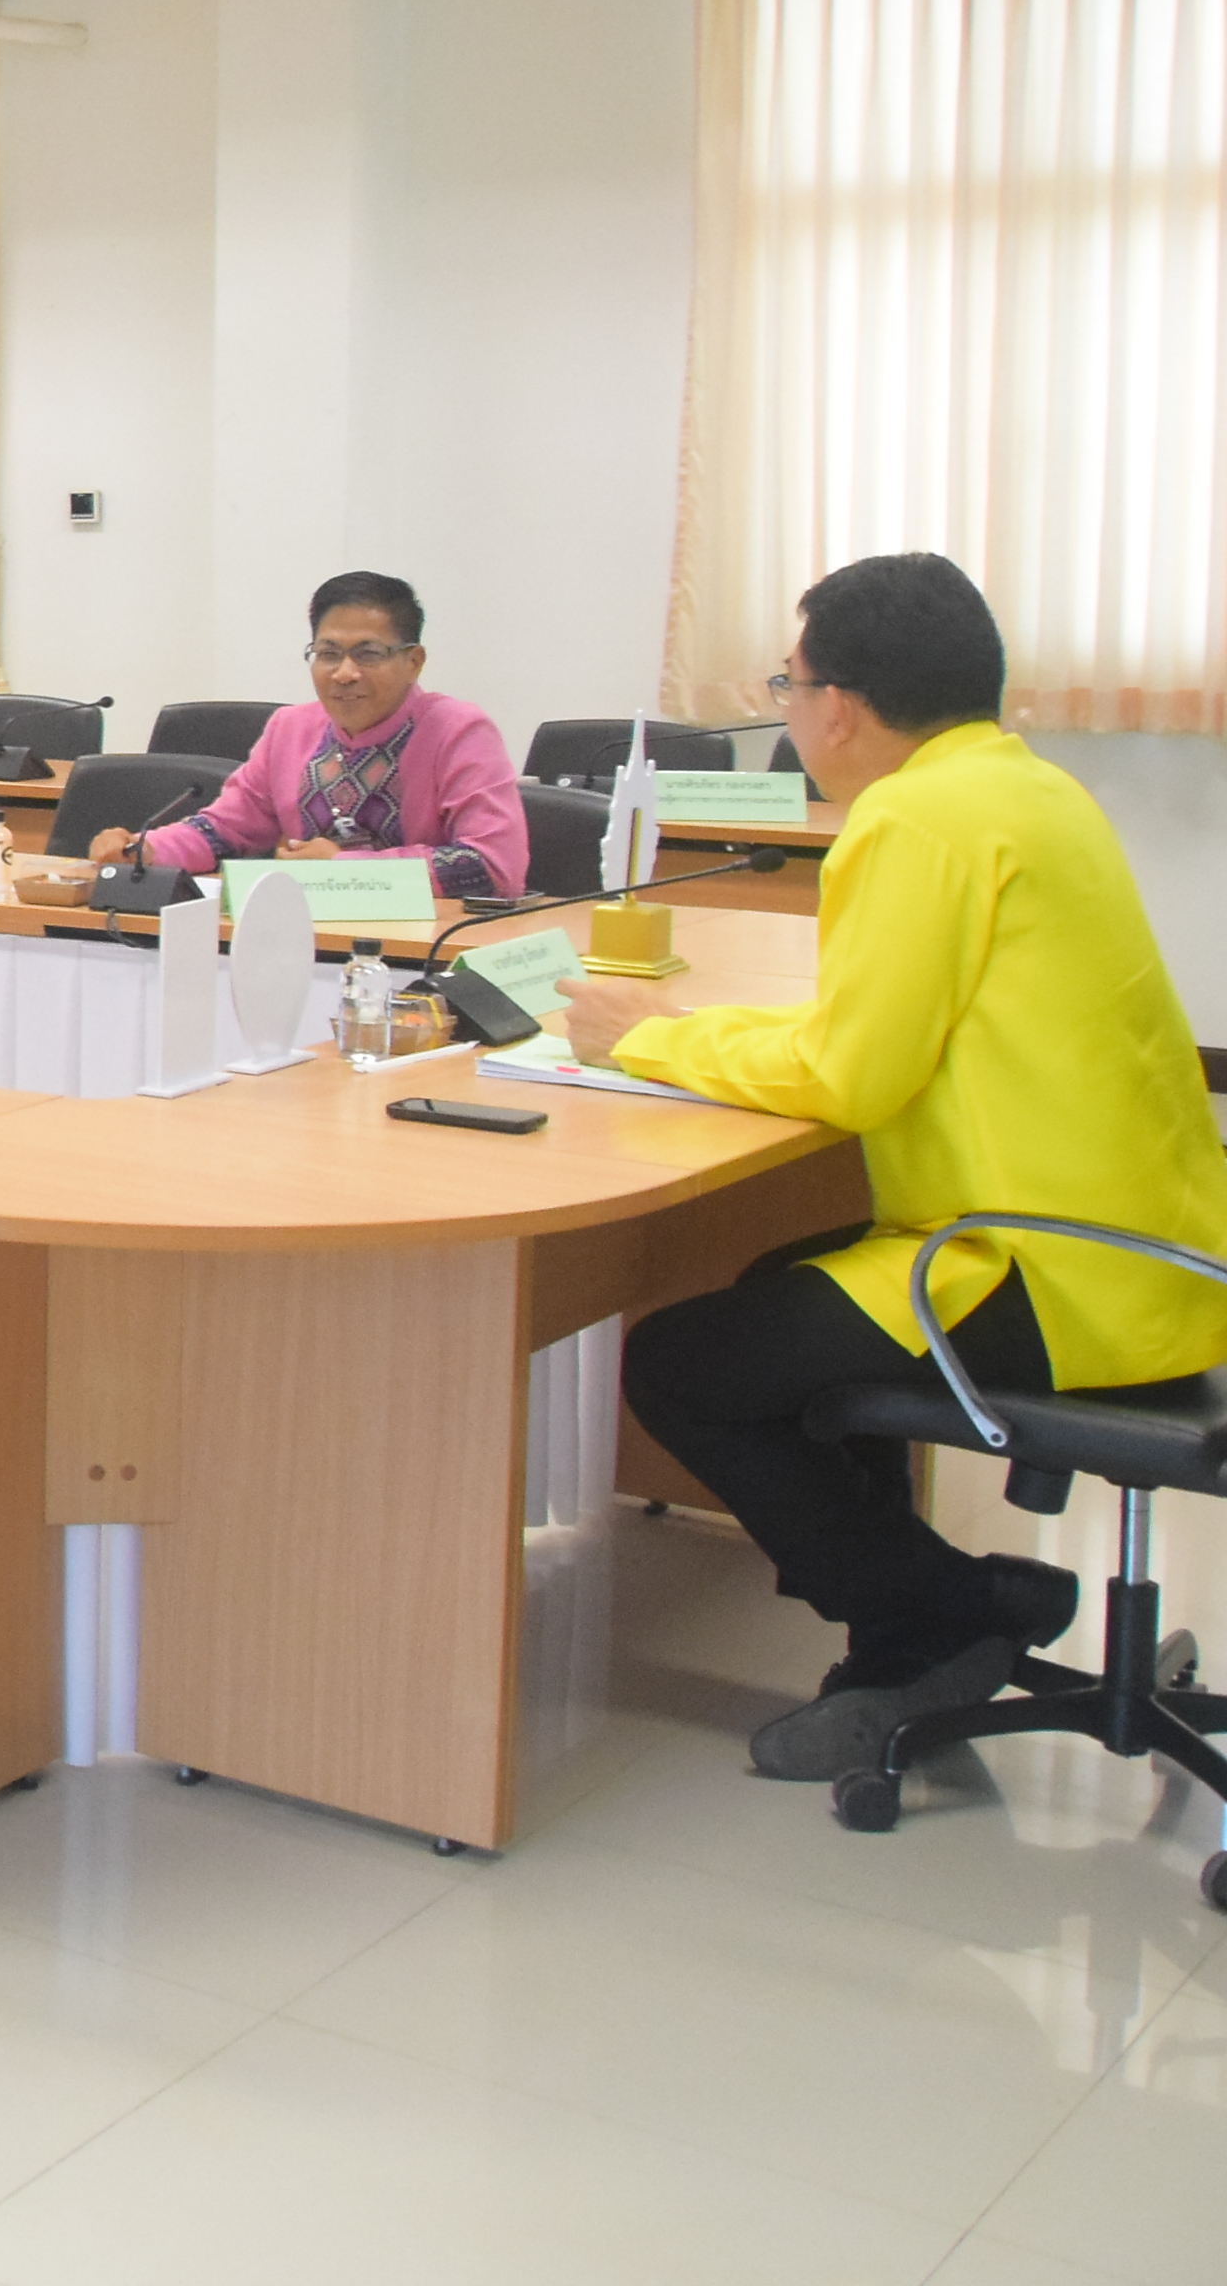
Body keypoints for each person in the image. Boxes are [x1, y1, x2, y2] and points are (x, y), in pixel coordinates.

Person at [575, 553, 1227, 1781]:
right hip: (1156, 1252)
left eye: (790, 679)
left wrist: (644, 1040)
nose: (789, 704)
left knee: (682, 1364)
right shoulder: (1023, 789)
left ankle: (950, 1605)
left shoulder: (910, 819)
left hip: (1052, 1270)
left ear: (839, 705)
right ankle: (900, 1620)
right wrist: (690, 1041)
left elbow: (855, 1080)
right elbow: (867, 1041)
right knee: (781, 1275)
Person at [94, 570, 529, 898]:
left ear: (414, 661)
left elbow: (493, 866)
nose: (345, 673)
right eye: (328, 654)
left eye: (369, 654)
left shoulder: (459, 731)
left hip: (413, 956)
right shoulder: (291, 728)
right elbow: (225, 830)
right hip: (300, 939)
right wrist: (147, 850)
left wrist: (344, 868)